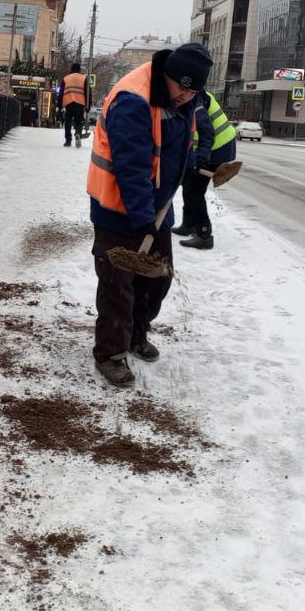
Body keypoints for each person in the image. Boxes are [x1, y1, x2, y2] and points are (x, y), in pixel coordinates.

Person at [86, 42, 212, 387]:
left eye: (194, 90)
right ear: (168, 76)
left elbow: (180, 142)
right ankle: (110, 352)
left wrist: (189, 169)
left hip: (157, 208)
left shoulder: (181, 98)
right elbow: (131, 168)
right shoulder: (133, 100)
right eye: (183, 87)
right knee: (118, 285)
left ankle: (136, 335)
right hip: (118, 208)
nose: (187, 96)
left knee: (157, 278)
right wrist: (142, 220)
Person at [173, 91, 237, 250]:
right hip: (213, 147)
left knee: (194, 190)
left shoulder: (193, 97)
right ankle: (188, 225)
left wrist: (201, 158)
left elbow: (206, 131)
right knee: (189, 184)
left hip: (217, 148)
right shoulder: (187, 93)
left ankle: (204, 234)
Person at [60, 62, 91, 148]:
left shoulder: (66, 78)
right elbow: (88, 93)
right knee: (78, 121)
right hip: (80, 104)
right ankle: (78, 133)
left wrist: (59, 106)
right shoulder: (84, 78)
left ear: (71, 69)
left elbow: (61, 93)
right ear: (79, 69)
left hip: (68, 103)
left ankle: (68, 140)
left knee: (68, 122)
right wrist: (88, 105)